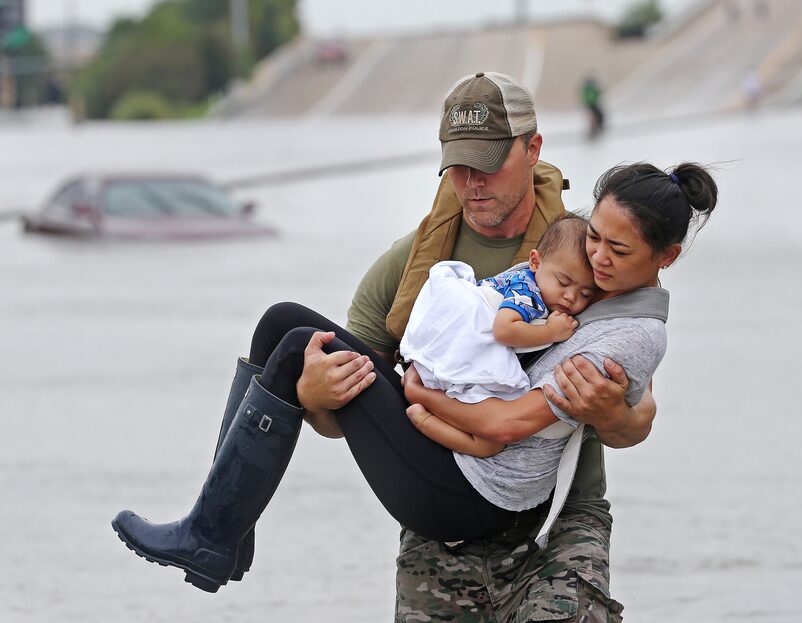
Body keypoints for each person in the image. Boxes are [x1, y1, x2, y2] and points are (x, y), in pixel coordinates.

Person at [110, 72, 665, 619]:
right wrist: (313, 396)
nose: (472, 182)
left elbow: (636, 414)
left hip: (557, 518)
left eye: (489, 164)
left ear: (533, 148)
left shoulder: (586, 257)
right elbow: (350, 419)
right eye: (458, 165)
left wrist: (612, 409)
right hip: (443, 503)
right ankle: (224, 526)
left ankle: (214, 533)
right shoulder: (409, 267)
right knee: (284, 324)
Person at [398, 215, 596, 457]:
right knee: (488, 444)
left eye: (585, 293)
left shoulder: (528, 283)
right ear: (535, 262)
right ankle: (424, 421)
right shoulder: (527, 293)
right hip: (464, 349)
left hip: (446, 349)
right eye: (563, 282)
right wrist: (551, 332)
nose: (570, 297)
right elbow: (504, 330)